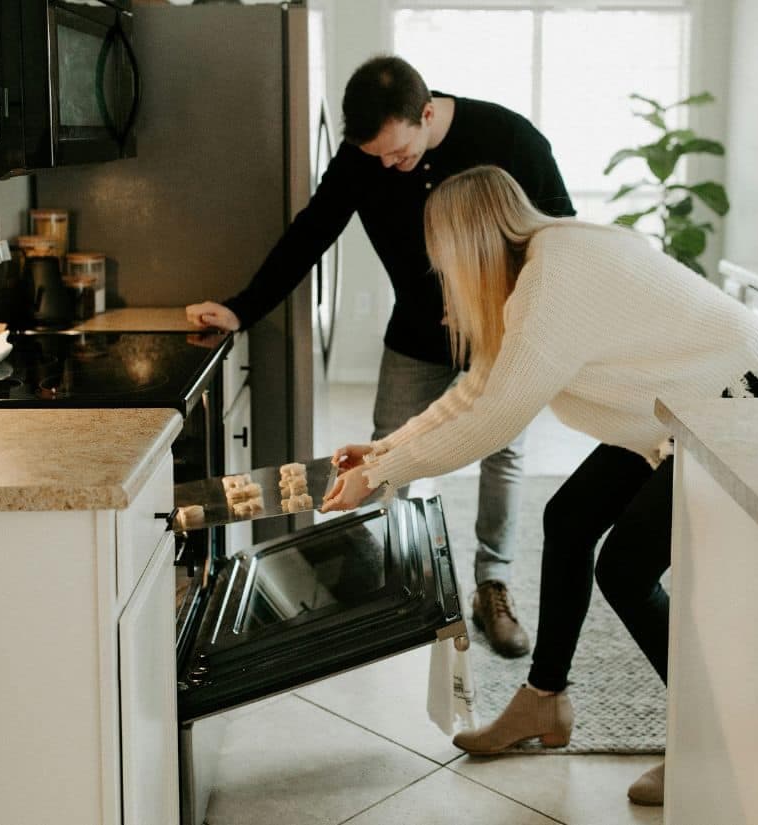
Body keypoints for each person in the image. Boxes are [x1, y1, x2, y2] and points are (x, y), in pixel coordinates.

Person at [321, 165, 758, 806]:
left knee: (625, 569)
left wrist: (381, 474)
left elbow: (493, 419)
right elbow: (480, 390)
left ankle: (703, 746)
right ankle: (544, 701)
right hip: (680, 407)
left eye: (441, 256)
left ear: (467, 244)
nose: (440, 272)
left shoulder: (553, 282)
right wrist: (384, 449)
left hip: (740, 398)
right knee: (570, 517)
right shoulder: (543, 262)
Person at [186, 55, 576, 658]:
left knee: (504, 452)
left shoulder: (508, 137)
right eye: (378, 159)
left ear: (426, 113)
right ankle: (397, 583)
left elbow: (560, 235)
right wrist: (242, 308)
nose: (390, 167)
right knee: (387, 449)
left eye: (399, 153)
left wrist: (508, 304)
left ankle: (491, 585)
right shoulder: (366, 156)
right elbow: (311, 232)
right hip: (415, 335)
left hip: (503, 331)